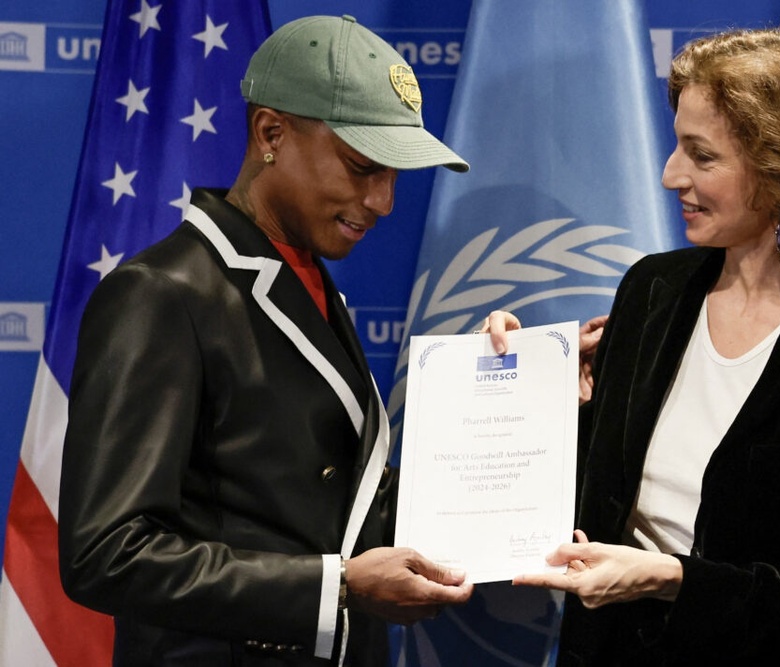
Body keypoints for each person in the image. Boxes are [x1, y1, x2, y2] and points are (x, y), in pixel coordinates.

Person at [58, 15, 515, 666]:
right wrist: (336, 587)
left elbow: (333, 506)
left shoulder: (307, 284)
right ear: (271, 133)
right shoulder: (160, 294)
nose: (383, 200)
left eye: (394, 174)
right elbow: (106, 553)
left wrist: (520, 392)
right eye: (362, 166)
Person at [512, 20, 780, 665]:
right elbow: (582, 502)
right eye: (677, 146)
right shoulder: (651, 290)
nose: (669, 175)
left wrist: (672, 579)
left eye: (702, 156)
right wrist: (519, 391)